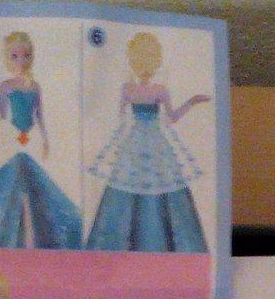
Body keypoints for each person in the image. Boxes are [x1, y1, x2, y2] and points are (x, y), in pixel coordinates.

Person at [84, 31, 211, 252]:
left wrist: (192, 101)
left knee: (148, 184)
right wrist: (191, 102)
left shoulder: (140, 89)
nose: (145, 65)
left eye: (148, 59)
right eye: (142, 59)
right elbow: (168, 117)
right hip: (144, 140)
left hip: (142, 140)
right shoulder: (139, 89)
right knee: (143, 185)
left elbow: (128, 117)